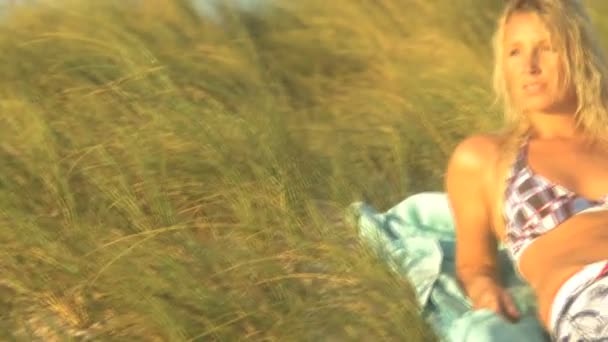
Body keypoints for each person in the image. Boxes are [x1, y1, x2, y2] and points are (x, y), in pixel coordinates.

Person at [445, 0, 608, 340]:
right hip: (591, 298)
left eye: (547, 47)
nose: (529, 66)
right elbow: (475, 265)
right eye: (514, 52)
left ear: (580, 53)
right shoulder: (485, 157)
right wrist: (482, 288)